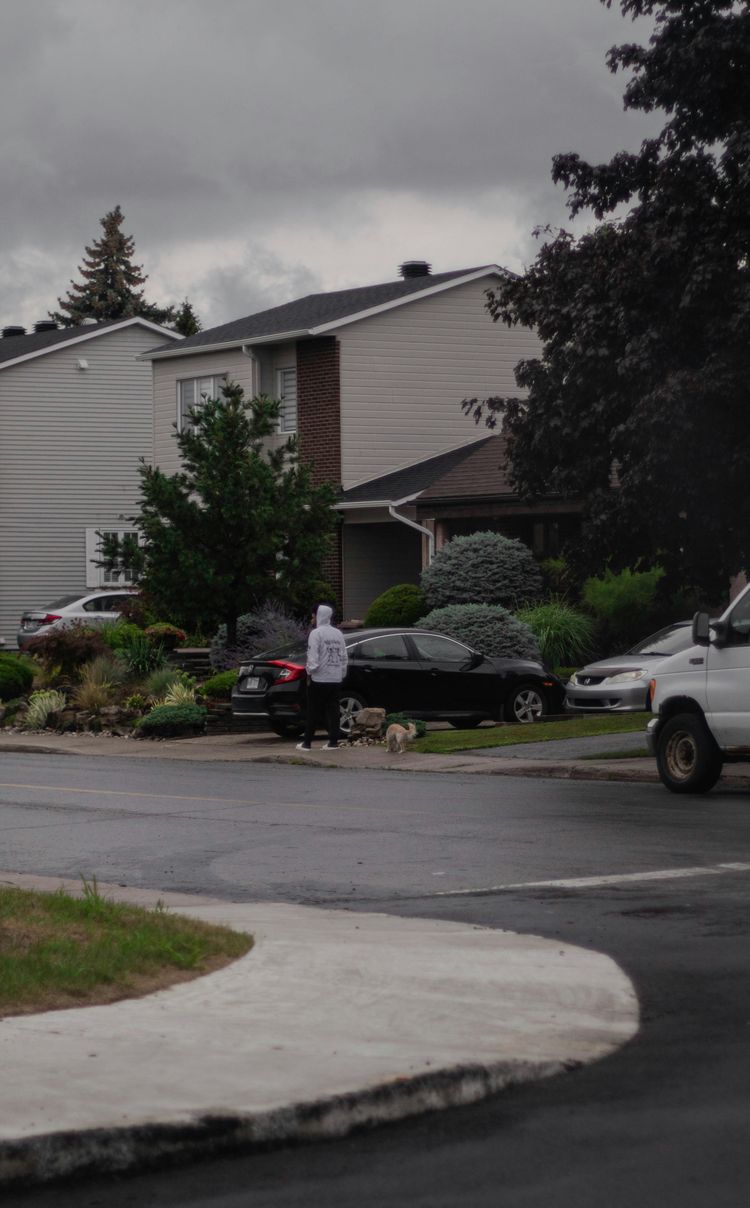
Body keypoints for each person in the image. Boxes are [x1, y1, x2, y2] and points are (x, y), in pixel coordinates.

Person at [296, 604, 348, 751]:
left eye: (313, 616)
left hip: (319, 678)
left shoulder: (316, 633)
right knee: (333, 710)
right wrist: (341, 673)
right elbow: (343, 656)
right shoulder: (338, 633)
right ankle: (333, 742)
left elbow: (313, 657)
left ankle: (307, 743)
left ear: (319, 616)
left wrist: (309, 672)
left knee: (313, 710)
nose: (312, 619)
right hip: (335, 678)